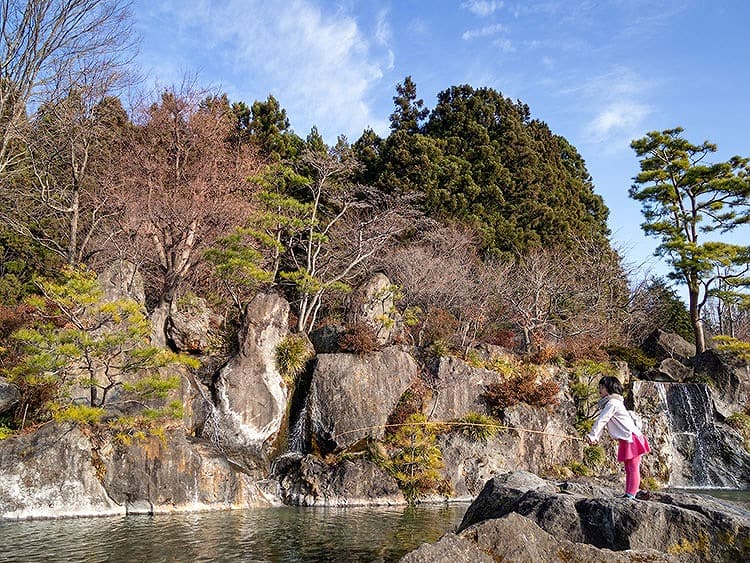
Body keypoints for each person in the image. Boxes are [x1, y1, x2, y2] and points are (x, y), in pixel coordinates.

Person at [585, 375, 650, 499]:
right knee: (629, 468)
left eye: (602, 387)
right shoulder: (614, 402)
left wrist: (593, 436)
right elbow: (603, 421)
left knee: (632, 467)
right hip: (628, 438)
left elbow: (602, 420)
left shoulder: (612, 403)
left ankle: (631, 495)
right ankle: (629, 494)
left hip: (631, 438)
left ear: (610, 388)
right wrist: (594, 437)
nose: (599, 390)